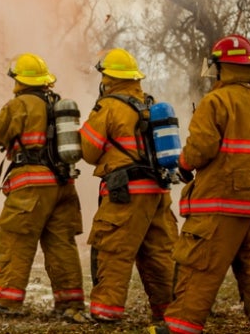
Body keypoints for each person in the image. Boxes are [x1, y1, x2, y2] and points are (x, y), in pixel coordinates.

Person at [149, 35, 250, 334]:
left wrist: (183, 165)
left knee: (200, 268)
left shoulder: (217, 101)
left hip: (221, 207)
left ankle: (179, 329)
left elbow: (201, 149)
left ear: (222, 68)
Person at [0, 53, 89, 323]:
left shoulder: (22, 104)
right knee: (61, 244)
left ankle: (8, 302)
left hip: (32, 187)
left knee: (15, 241)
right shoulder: (56, 103)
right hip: (63, 185)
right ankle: (70, 303)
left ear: (18, 80)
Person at [79, 49, 176, 324]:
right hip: (158, 191)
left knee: (113, 247)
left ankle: (106, 310)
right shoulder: (149, 104)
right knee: (158, 252)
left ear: (108, 77)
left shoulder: (108, 106)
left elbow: (89, 151)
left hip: (126, 192)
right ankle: (167, 311)